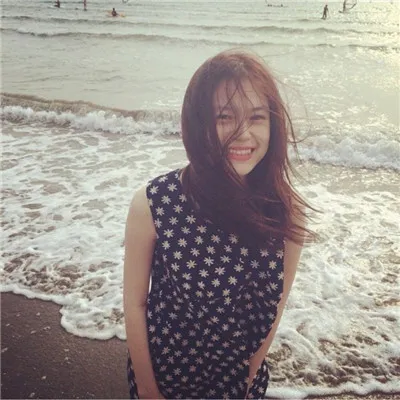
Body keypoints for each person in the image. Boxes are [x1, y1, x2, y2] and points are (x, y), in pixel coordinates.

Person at [123, 49, 313, 399]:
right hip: (165, 379)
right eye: (224, 117)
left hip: (238, 385)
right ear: (199, 123)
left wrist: (248, 378)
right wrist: (149, 390)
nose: (243, 134)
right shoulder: (154, 203)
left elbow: (275, 307)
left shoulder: (287, 213)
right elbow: (136, 304)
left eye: (257, 117)